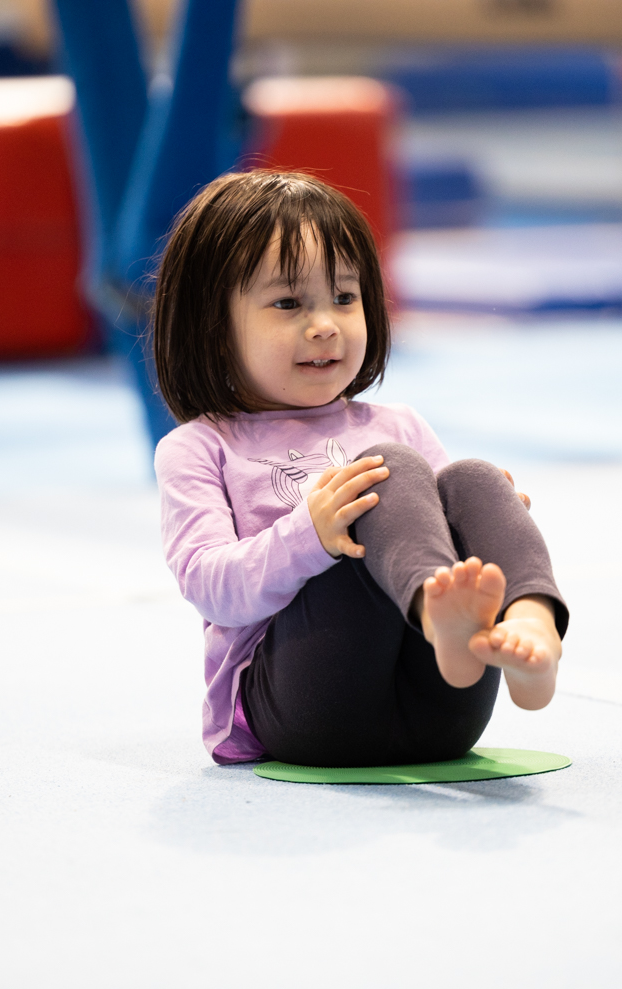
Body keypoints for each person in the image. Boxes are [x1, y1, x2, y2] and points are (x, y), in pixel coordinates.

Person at [153, 171, 569, 767]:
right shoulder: (201, 447)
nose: (325, 323)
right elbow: (211, 589)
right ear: (213, 329)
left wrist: (484, 524)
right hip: (308, 711)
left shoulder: (399, 422)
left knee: (474, 480)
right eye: (289, 303)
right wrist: (310, 536)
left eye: (344, 298)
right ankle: (436, 611)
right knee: (388, 470)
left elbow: (447, 527)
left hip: (444, 711)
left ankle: (531, 630)